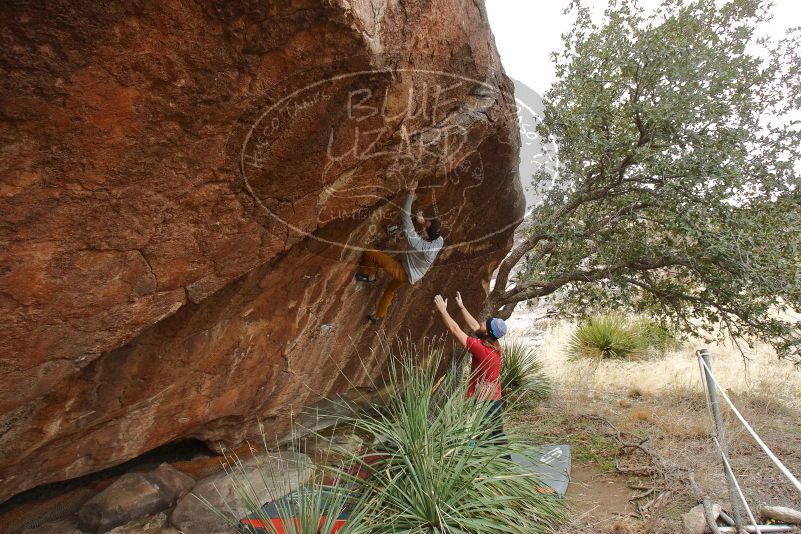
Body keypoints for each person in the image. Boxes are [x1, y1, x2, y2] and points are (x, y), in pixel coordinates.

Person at [355, 180, 443, 325]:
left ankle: (370, 276)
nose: (424, 223)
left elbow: (405, 215)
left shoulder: (416, 243)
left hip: (404, 272)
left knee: (370, 253)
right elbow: (430, 229)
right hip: (412, 275)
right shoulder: (439, 240)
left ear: (427, 235)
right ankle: (378, 317)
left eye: (425, 226)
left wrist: (411, 193)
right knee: (389, 291)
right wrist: (422, 222)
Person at [433, 292, 509, 450]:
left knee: (474, 437)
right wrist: (462, 307)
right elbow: (476, 326)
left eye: (484, 323)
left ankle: (473, 459)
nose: (481, 323)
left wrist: (443, 310)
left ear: (487, 332)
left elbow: (455, 330)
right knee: (497, 437)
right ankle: (505, 464)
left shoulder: (481, 349)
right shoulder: (492, 344)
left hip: (484, 403)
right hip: (494, 400)